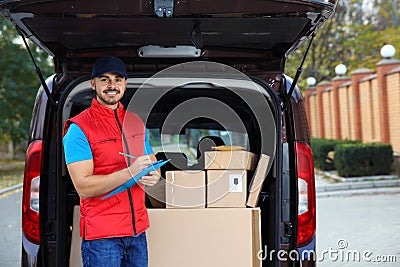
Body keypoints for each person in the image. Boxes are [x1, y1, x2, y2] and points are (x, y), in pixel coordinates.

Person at [63, 56, 160, 267]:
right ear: (93, 84)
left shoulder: (135, 122)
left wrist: (154, 174)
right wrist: (130, 172)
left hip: (137, 233)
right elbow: (84, 187)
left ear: (125, 83)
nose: (112, 86)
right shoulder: (79, 128)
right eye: (104, 79)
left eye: (118, 79)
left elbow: (151, 162)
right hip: (102, 237)